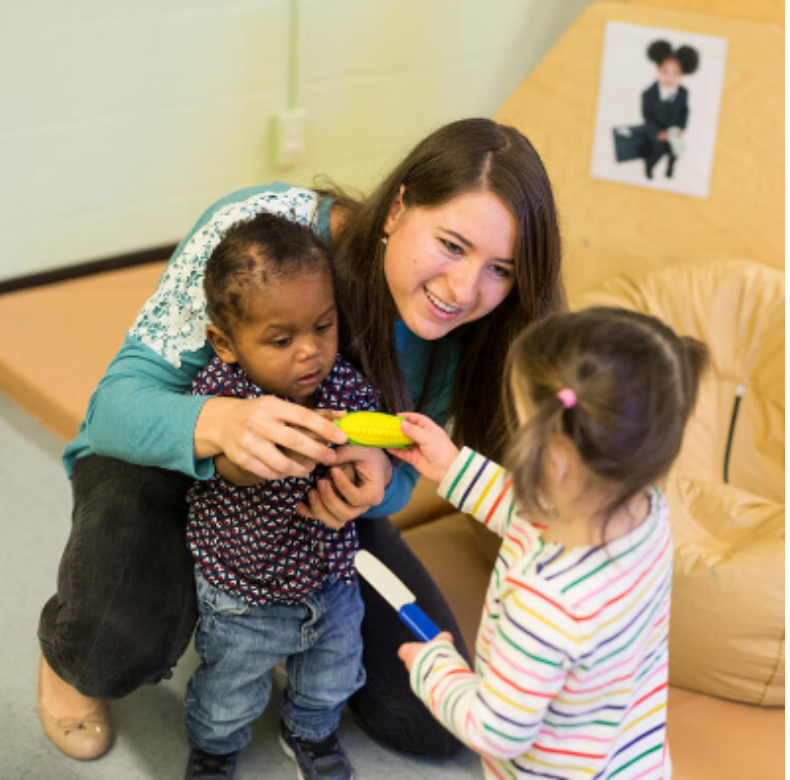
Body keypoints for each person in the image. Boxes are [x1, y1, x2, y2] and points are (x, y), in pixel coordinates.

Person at [36, 118, 564, 763]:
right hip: (165, 466)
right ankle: (78, 654)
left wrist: (372, 485)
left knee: (432, 725)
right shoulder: (263, 231)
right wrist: (222, 422)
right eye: (452, 245)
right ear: (398, 206)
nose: (463, 290)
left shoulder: (477, 335)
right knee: (108, 649)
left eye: (500, 269)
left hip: (309, 516)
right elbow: (113, 409)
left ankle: (254, 619)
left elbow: (400, 481)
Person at [390, 308, 708, 780]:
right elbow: (532, 513)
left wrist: (435, 668)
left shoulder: (544, 605)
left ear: (555, 461)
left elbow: (496, 729)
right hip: (634, 762)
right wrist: (453, 467)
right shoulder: (647, 512)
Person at [184, 212, 378, 779]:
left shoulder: (342, 384)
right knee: (229, 687)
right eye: (281, 339)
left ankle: (309, 733)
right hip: (242, 587)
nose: (310, 352)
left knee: (334, 672)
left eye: (323, 326)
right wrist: (273, 457)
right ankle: (213, 749)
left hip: (331, 575)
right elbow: (225, 468)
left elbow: (373, 445)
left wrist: (376, 459)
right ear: (225, 343)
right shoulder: (222, 391)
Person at [642, 40, 700, 179]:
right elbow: (647, 116)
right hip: (658, 136)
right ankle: (649, 167)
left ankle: (670, 166)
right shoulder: (648, 94)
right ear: (657, 69)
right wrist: (658, 133)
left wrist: (681, 128)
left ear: (683, 75)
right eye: (665, 72)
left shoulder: (683, 92)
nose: (670, 77)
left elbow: (685, 111)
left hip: (674, 134)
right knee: (656, 153)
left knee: (675, 152)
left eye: (676, 74)